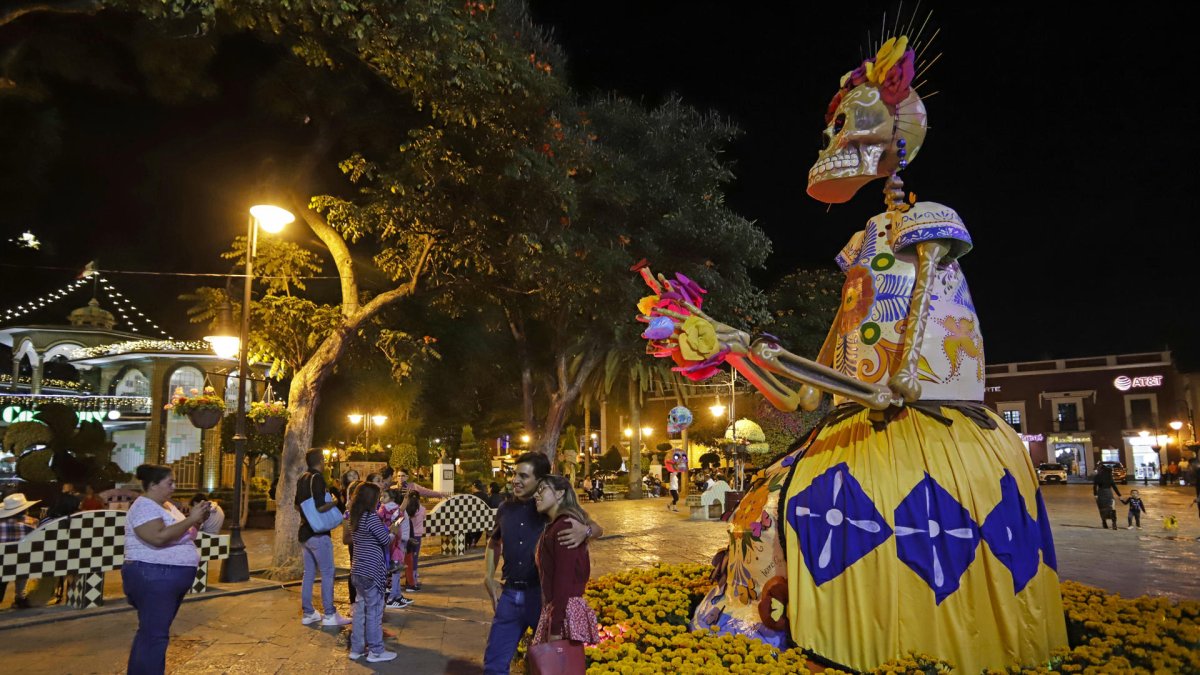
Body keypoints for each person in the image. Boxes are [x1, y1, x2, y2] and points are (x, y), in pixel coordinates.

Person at [482, 452, 602, 675]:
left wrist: (585, 531)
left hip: (541, 597)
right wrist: (488, 576)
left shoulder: (547, 507)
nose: (515, 480)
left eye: (523, 476)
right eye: (514, 474)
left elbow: (597, 528)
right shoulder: (505, 508)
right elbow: (493, 542)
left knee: (548, 664)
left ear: (540, 480)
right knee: (494, 663)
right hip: (510, 594)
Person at [123, 464, 212, 674]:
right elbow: (158, 537)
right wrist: (191, 518)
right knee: (154, 634)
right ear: (153, 484)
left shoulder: (167, 506)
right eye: (169, 483)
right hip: (153, 575)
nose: (174, 487)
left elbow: (185, 533)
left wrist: (198, 520)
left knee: (153, 632)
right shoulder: (144, 506)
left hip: (166, 577)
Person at [530, 474, 600, 652]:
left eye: (542, 489)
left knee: (560, 662)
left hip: (562, 613)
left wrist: (555, 627)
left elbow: (564, 579)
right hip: (559, 610)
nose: (536, 495)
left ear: (560, 493)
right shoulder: (555, 524)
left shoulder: (564, 526)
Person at [295, 448, 350, 626]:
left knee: (309, 573)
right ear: (321, 461)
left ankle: (308, 613)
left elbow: (297, 506)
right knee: (327, 572)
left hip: (305, 533)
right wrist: (334, 502)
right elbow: (320, 507)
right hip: (319, 534)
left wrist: (308, 517)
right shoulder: (317, 478)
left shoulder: (302, 478)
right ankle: (329, 614)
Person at [346, 481, 399, 663]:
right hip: (371, 571)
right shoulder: (370, 517)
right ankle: (376, 650)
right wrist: (393, 531)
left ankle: (356, 648)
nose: (379, 500)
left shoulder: (355, 517)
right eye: (377, 497)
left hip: (358, 570)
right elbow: (385, 540)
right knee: (374, 612)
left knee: (360, 610)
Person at [395, 467, 447, 592]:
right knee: (404, 556)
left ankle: (408, 579)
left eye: (403, 475)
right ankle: (408, 580)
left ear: (407, 477)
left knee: (407, 556)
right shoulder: (393, 489)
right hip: (402, 528)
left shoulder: (413, 487)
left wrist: (440, 494)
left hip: (406, 527)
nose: (400, 478)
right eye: (398, 476)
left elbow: (427, 492)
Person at [375, 488, 413, 610]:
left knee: (396, 568)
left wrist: (405, 499)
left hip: (393, 540)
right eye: (381, 496)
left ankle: (396, 595)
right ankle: (392, 597)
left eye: (384, 496)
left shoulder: (386, 508)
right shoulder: (387, 508)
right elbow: (399, 513)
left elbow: (399, 513)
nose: (381, 498)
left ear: (391, 498)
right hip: (392, 540)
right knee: (394, 569)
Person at [0, 493, 40, 609]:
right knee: (22, 564)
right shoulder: (33, 522)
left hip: (2, 563)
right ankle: (20, 597)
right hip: (22, 563)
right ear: (25, 509)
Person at [1093, 464, 1121, 529]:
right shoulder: (1109, 476)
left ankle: (1104, 523)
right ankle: (1114, 524)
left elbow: (1094, 486)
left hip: (1101, 493)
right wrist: (1119, 495)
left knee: (1102, 509)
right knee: (1112, 508)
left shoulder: (1097, 476)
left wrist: (1095, 495)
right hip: (1108, 493)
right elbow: (1114, 486)